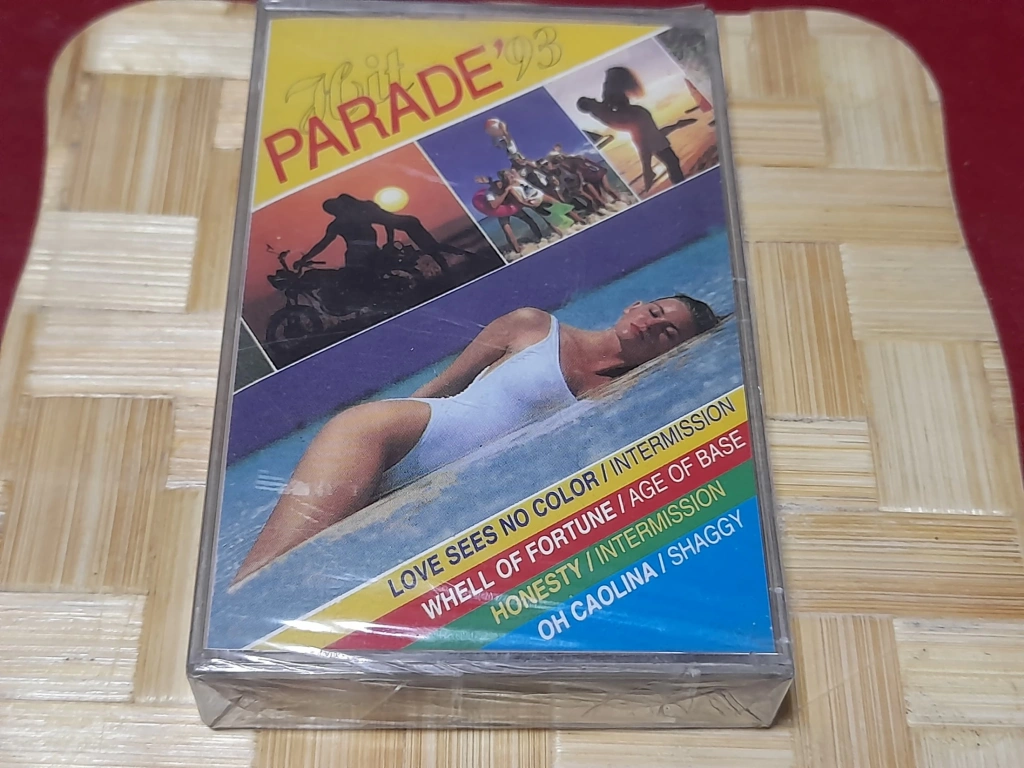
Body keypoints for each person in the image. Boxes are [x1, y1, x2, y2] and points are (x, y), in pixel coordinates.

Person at [233, 295, 721, 584]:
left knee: (308, 576)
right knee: (267, 574)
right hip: (384, 435)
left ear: (674, 352)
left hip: (426, 490)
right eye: (654, 310)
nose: (651, 324)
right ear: (634, 304)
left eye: (668, 332)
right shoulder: (534, 325)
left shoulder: (625, 393)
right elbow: (440, 388)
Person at [297, 194, 473, 281]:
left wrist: (389, 242)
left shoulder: (364, 210)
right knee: (433, 248)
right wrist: (306, 258)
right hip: (405, 223)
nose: (338, 210)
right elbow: (323, 243)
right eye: (334, 209)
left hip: (408, 224)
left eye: (337, 207)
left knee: (433, 248)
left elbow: (388, 223)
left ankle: (460, 262)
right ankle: (454, 265)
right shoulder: (357, 214)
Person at [577, 67, 686, 193]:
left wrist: (609, 85)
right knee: (665, 157)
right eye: (589, 100)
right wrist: (609, 82)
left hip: (636, 120)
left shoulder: (601, 107)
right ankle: (665, 179)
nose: (592, 98)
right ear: (588, 105)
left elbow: (613, 111)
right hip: (635, 121)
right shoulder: (599, 108)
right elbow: (614, 115)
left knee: (664, 155)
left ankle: (655, 174)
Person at [496, 169, 586, 236]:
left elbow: (516, 167)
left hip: (541, 195)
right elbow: (520, 200)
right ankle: (561, 234)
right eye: (507, 175)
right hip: (533, 201)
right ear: (505, 178)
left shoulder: (518, 178)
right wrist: (531, 205)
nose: (510, 175)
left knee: (561, 206)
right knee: (549, 218)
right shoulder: (511, 188)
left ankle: (580, 221)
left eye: (509, 174)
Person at [473, 175, 549, 254]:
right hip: (501, 212)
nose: (500, 185)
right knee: (508, 231)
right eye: (497, 184)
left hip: (512, 207)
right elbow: (493, 205)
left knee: (529, 220)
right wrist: (505, 192)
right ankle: (517, 249)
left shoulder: (506, 186)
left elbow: (518, 190)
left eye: (500, 183)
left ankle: (540, 237)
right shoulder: (490, 193)